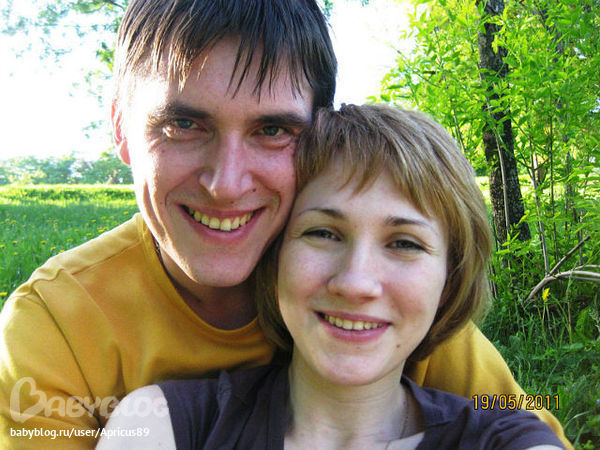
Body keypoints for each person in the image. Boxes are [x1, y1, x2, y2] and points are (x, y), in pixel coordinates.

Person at [0, 0, 569, 448]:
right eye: (183, 124)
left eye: (272, 130)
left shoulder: (374, 296)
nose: (226, 183)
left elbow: (509, 416)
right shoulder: (57, 325)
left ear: (319, 136)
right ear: (121, 128)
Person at [98, 104, 565, 449]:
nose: (356, 283)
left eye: (404, 243)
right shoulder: (162, 425)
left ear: (450, 275)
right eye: (323, 233)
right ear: (275, 256)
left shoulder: (506, 437)